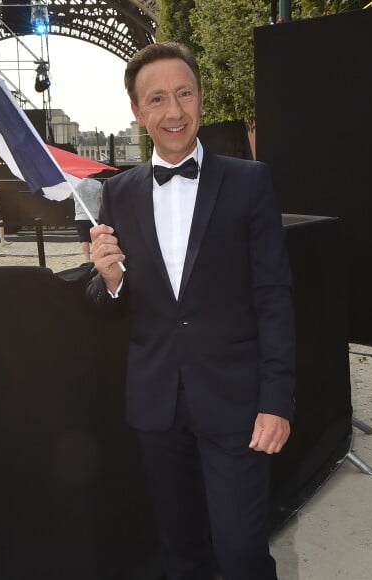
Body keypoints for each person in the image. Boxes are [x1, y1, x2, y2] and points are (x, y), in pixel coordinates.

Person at [87, 42, 295, 580]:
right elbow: (110, 303)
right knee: (181, 553)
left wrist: (277, 400)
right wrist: (109, 281)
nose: (173, 111)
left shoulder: (250, 182)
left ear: (201, 97)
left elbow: (273, 296)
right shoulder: (118, 193)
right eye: (157, 99)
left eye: (184, 94)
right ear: (137, 112)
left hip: (237, 403)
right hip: (157, 405)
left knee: (242, 552)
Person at [72, 175, 102, 263]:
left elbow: (70, 196)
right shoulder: (98, 184)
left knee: (84, 239)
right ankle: (95, 258)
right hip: (95, 215)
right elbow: (101, 199)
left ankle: (87, 260)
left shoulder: (76, 184)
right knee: (94, 239)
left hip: (81, 216)